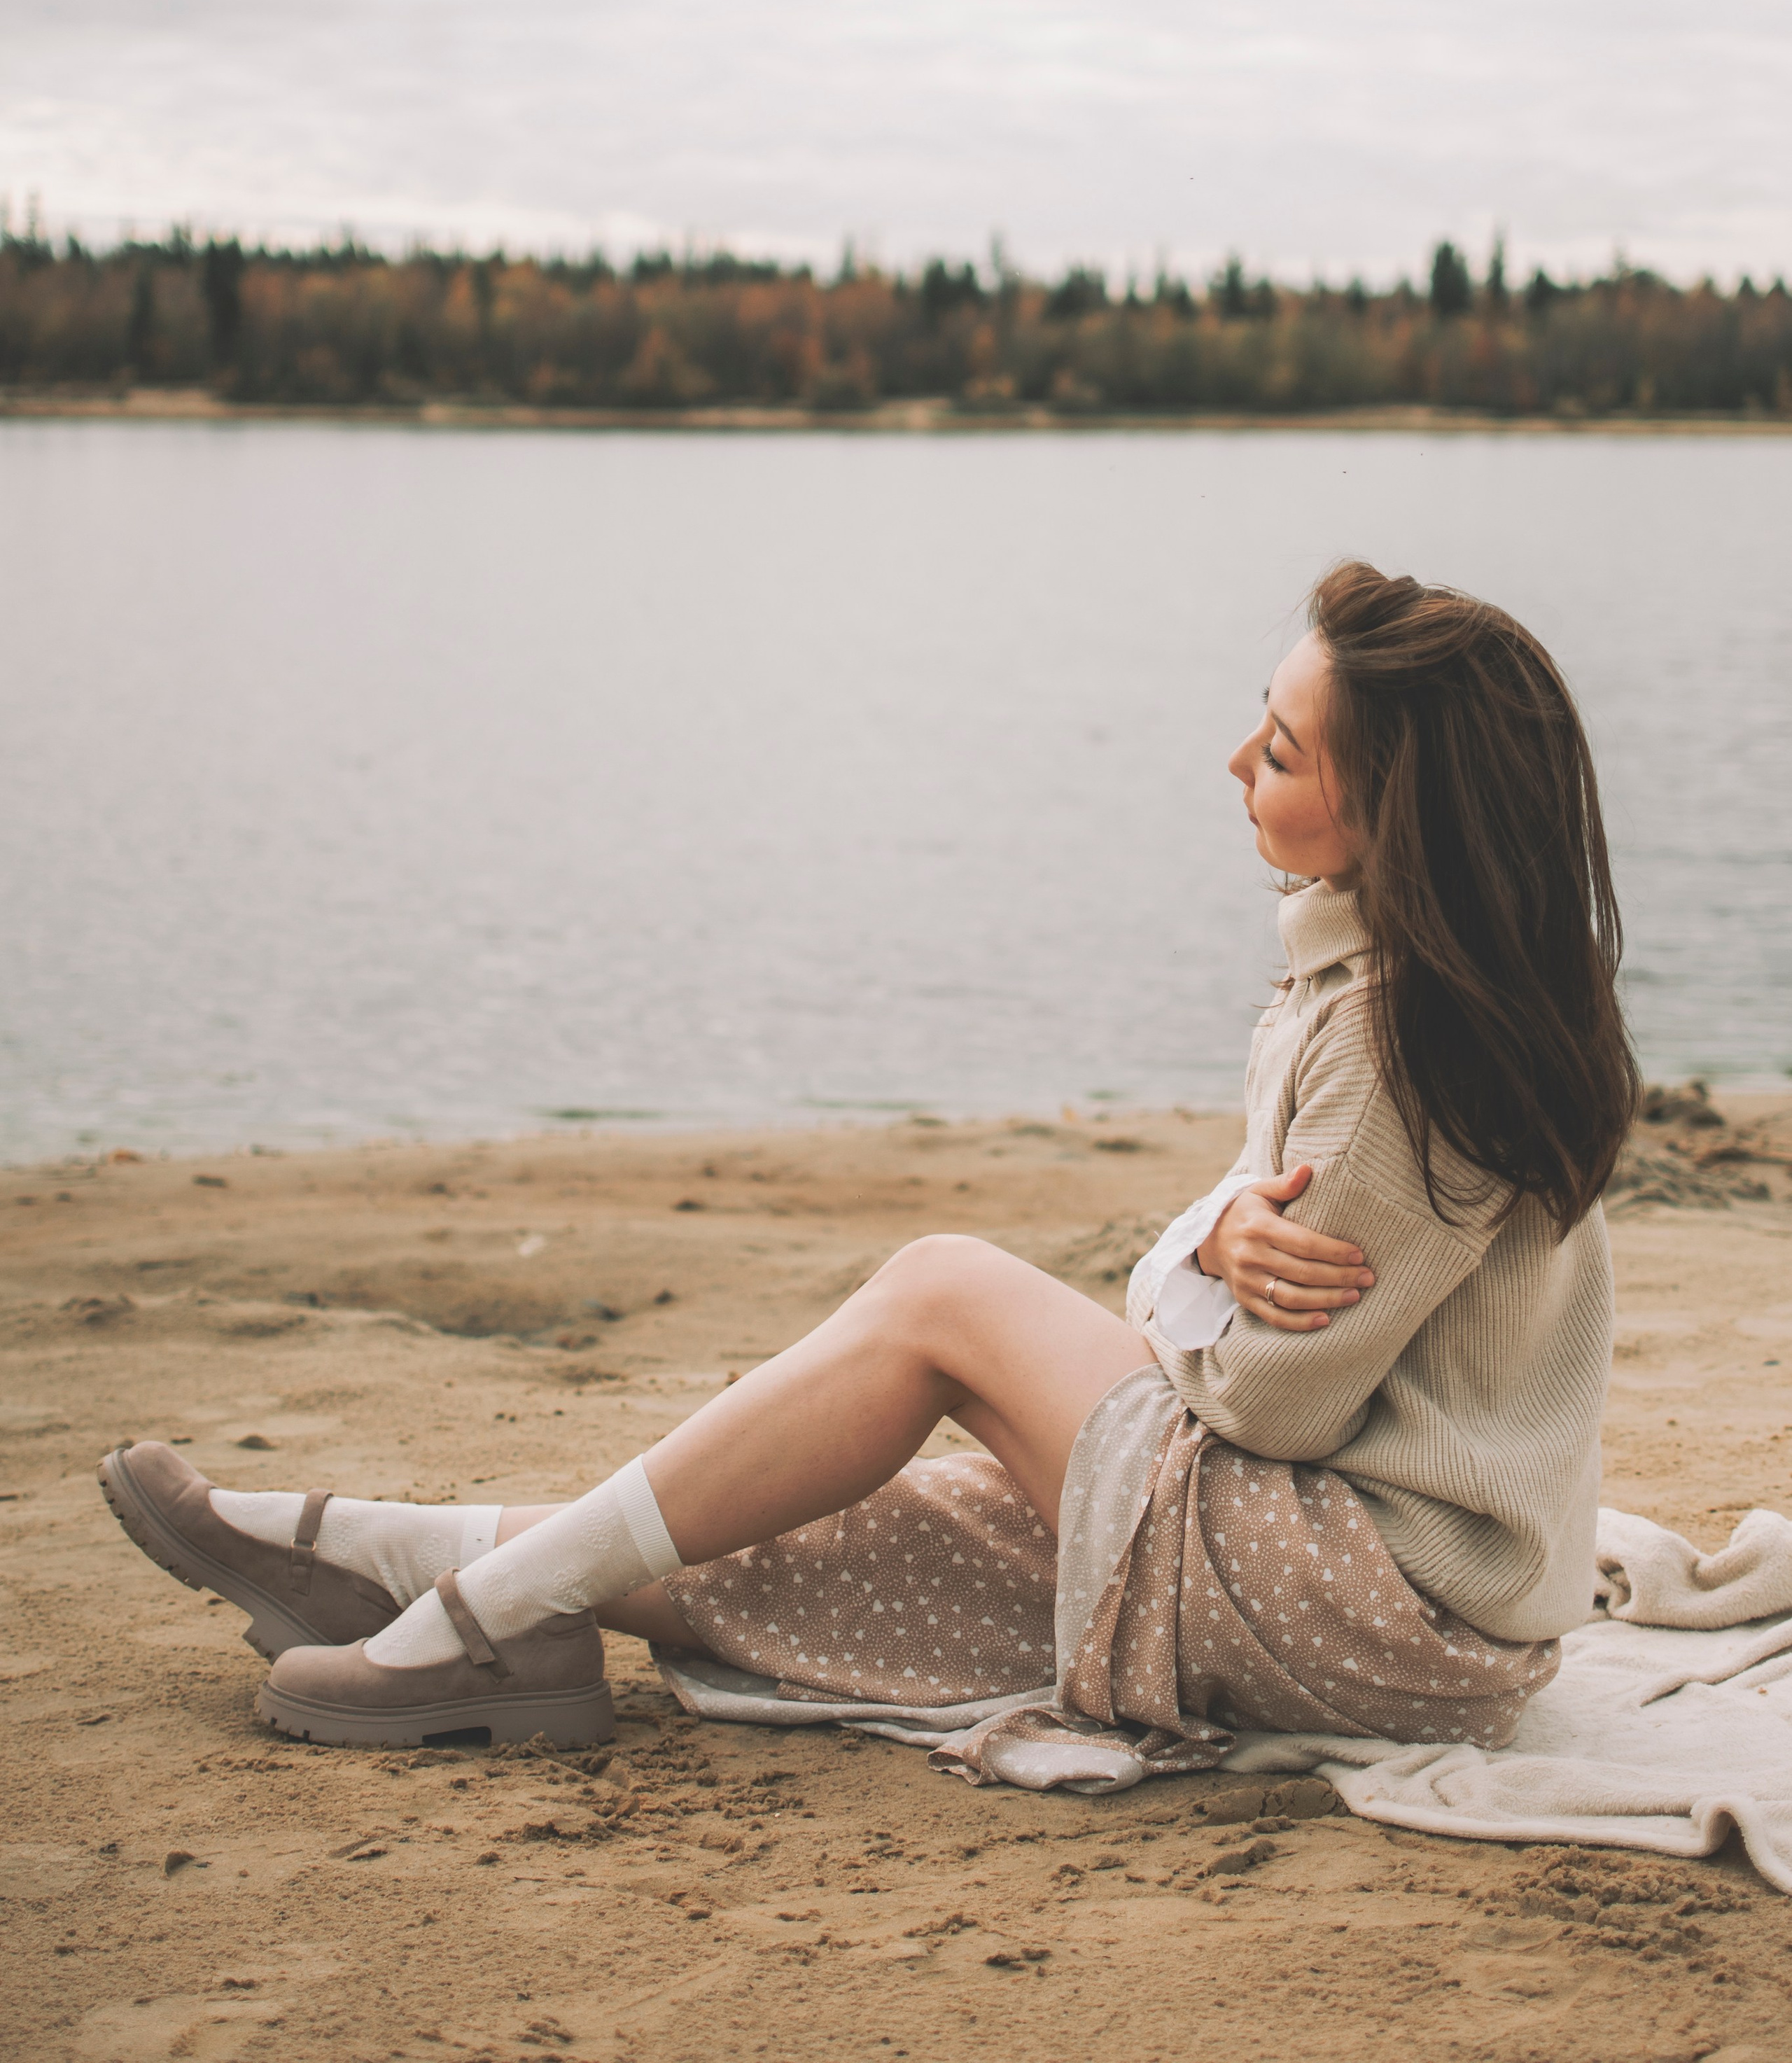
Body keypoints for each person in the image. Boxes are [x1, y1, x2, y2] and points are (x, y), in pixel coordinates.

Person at [101, 561, 1635, 1779]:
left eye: (1281, 749)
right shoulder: (1395, 988)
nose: (1231, 758)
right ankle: (385, 1555)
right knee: (845, 1533)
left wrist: (1176, 1265)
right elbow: (1258, 1330)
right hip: (1351, 1586)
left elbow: (1264, 1399)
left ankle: (476, 1620)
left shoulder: (1395, 1045)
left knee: (940, 1294)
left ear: (1390, 817)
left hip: (1381, 1616)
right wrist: (1211, 1241)